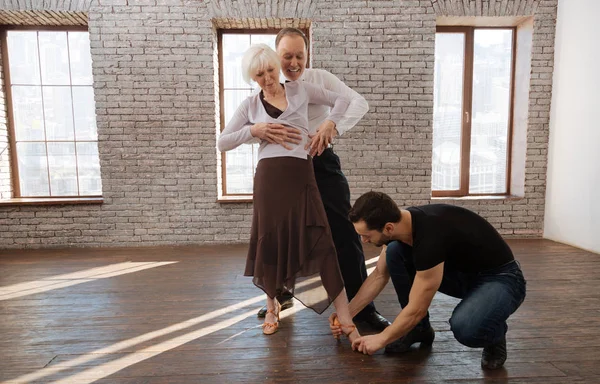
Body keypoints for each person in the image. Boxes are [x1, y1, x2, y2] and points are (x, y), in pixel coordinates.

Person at [217, 43, 360, 342]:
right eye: (260, 75)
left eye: (270, 71)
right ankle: (272, 307)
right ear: (252, 77)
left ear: (276, 67)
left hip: (301, 175)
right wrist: (254, 131)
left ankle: (345, 316)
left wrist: (329, 125)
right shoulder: (249, 106)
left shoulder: (301, 90)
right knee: (269, 242)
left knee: (323, 243)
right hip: (269, 179)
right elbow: (223, 142)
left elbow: (343, 100)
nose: (267, 79)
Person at [251, 27, 390, 332]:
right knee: (281, 234)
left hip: (321, 164)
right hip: (283, 171)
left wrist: (332, 125)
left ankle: (363, 309)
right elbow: (250, 130)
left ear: (307, 55)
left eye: (300, 55)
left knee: (344, 233)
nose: (294, 62)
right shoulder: (264, 88)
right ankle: (280, 296)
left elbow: (358, 103)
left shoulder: (321, 79)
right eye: (287, 56)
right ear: (276, 56)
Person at [330, 191, 526, 369]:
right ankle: (418, 330)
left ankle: (495, 332)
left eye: (365, 236)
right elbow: (379, 276)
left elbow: (417, 309)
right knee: (395, 252)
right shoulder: (399, 226)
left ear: (388, 227)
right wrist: (346, 315)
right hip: (462, 274)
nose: (363, 241)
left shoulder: (430, 236)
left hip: (502, 278)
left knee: (467, 328)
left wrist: (381, 339)